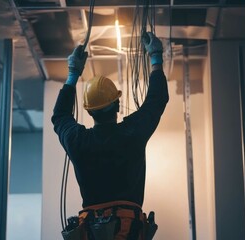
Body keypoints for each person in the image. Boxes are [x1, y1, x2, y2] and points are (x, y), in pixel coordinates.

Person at [52, 32, 169, 240]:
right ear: (117, 105)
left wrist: (73, 73)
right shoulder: (132, 133)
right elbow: (157, 100)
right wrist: (156, 56)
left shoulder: (78, 141)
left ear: (88, 110)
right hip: (130, 231)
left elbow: (60, 115)